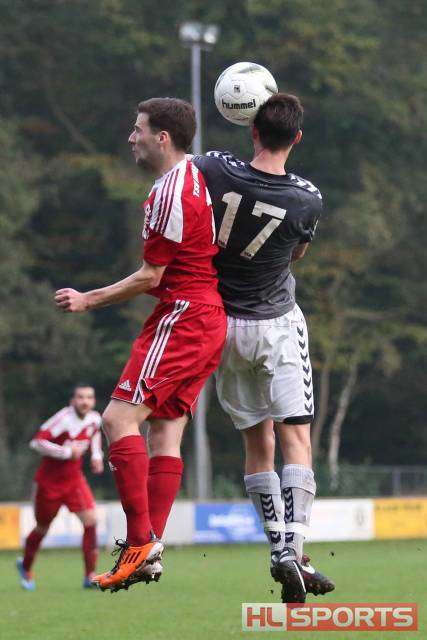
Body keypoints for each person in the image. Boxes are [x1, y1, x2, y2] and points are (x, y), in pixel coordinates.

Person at [54, 98, 226, 593]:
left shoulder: (170, 192)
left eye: (138, 129)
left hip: (183, 316)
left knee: (116, 420)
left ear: (162, 138)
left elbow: (152, 275)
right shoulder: (198, 173)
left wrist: (88, 299)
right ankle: (149, 552)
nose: (132, 138)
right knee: (165, 434)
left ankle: (139, 543)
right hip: (208, 316)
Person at [192, 93, 334, 603]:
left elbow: (192, 175)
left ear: (252, 130)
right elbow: (297, 252)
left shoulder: (214, 169)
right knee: (296, 437)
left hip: (225, 327)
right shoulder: (307, 198)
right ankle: (294, 549)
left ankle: (277, 549)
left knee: (258, 443)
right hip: (277, 324)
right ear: (297, 138)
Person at [16, 384, 103, 590]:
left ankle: (90, 575)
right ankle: (26, 567)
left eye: (89, 397)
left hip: (74, 481)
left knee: (91, 521)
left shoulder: (94, 418)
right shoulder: (63, 419)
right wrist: (66, 452)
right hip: (49, 484)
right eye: (80, 397)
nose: (85, 401)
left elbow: (95, 434)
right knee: (42, 527)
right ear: (72, 401)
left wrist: (97, 455)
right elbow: (37, 442)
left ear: (93, 401)